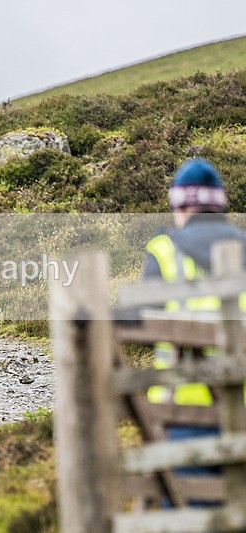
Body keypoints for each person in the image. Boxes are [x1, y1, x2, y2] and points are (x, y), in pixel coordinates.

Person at [142, 157, 246, 507]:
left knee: (189, 516)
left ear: (181, 204)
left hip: (183, 414)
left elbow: (134, 319)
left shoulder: (164, 251)